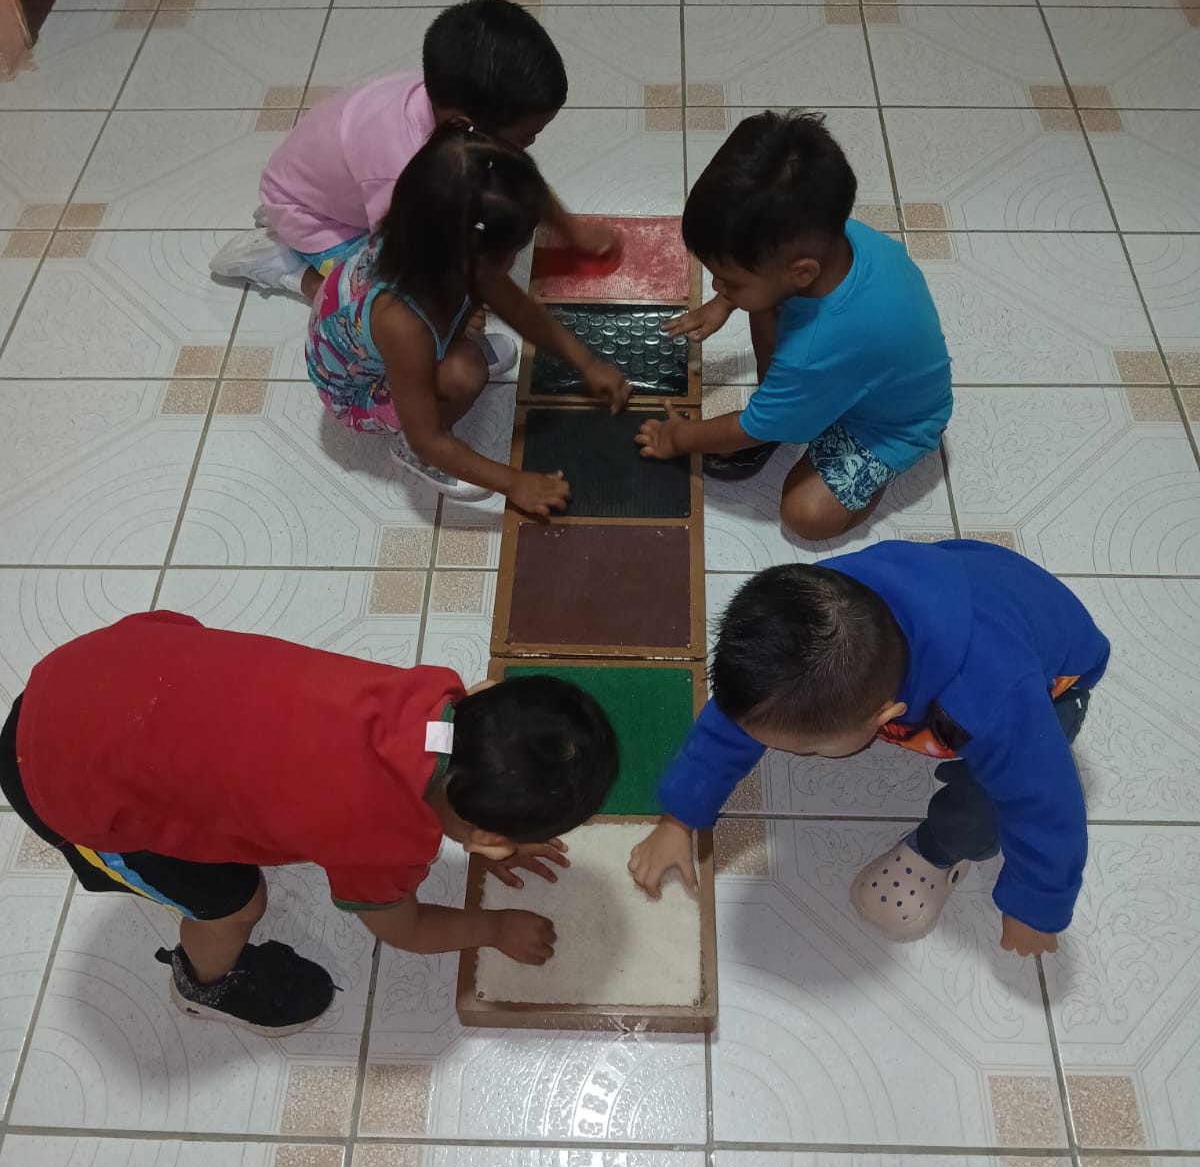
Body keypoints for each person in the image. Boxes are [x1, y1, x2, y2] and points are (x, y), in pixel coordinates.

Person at [0, 611, 620, 1036]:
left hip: (95, 669)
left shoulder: (429, 697)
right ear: (486, 838)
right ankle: (204, 985)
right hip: (57, 779)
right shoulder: (381, 840)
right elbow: (405, 929)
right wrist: (493, 927)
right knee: (234, 903)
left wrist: (498, 817)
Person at [628, 541, 1109, 957]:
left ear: (886, 718)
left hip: (1054, 679)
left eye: (808, 751)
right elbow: (739, 717)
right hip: (970, 586)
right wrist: (680, 818)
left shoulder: (990, 702)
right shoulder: (822, 609)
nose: (798, 755)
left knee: (984, 805)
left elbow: (1046, 799)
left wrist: (1036, 907)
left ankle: (937, 852)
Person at [635, 111, 953, 542]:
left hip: (895, 424)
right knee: (764, 302)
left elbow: (754, 428)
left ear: (802, 272)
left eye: (729, 281)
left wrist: (679, 438)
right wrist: (727, 301)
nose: (715, 286)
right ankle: (794, 399)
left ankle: (874, 469)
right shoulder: (836, 236)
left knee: (805, 516)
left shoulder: (812, 353)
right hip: (862, 374)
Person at [306, 120, 629, 506]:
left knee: (470, 333)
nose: (520, 254)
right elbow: (429, 439)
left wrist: (587, 363)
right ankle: (405, 449)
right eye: (516, 248)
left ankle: (447, 355)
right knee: (465, 373)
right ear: (471, 260)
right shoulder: (403, 325)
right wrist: (514, 482)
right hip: (358, 392)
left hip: (389, 340)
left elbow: (518, 308)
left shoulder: (437, 239)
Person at [210, 0, 619, 298]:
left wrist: (573, 230)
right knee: (375, 296)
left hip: (343, 185)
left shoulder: (453, 104)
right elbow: (403, 260)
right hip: (311, 212)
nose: (530, 144)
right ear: (467, 125)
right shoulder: (404, 171)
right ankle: (286, 266)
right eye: (524, 136)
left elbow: (519, 171)